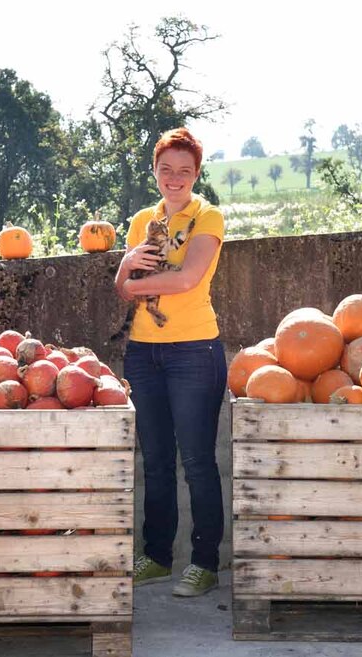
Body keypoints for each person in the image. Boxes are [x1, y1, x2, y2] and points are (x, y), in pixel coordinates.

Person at [113, 128, 228, 597]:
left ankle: (205, 562)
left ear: (196, 174)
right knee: (156, 461)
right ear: (155, 173)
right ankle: (157, 556)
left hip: (194, 350)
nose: (174, 178)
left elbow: (187, 280)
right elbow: (124, 280)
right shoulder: (143, 220)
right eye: (166, 170)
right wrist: (126, 275)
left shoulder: (209, 216)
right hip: (142, 351)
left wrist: (128, 283)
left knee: (198, 461)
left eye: (184, 171)